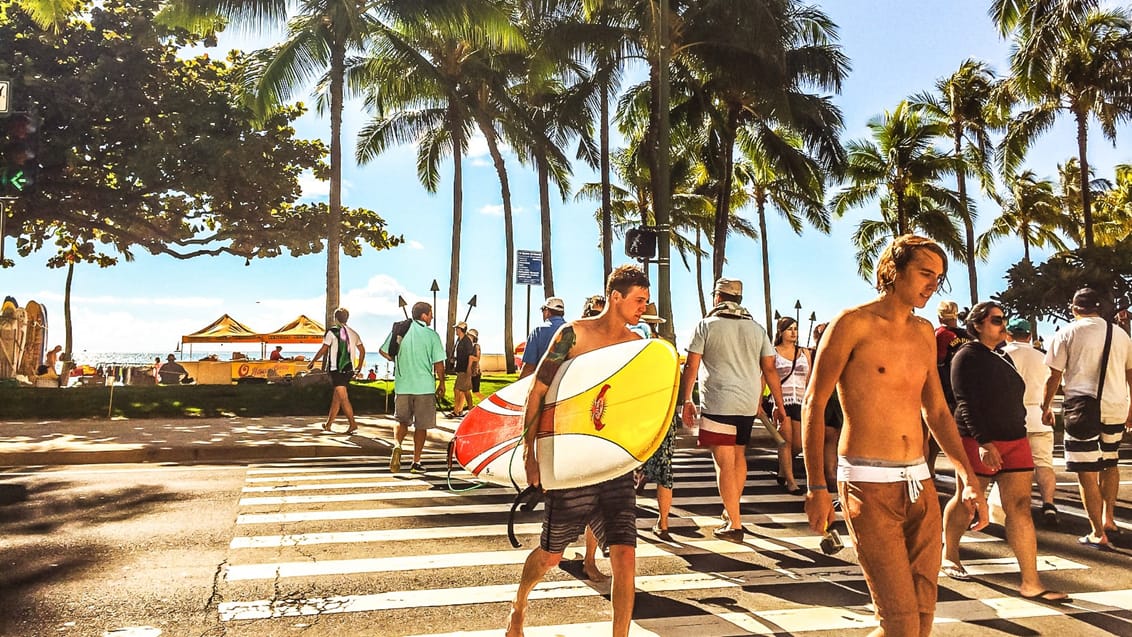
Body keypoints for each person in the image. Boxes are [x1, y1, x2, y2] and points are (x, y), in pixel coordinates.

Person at [802, 234, 988, 637]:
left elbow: (936, 410)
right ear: (893, 271)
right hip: (868, 485)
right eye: (924, 273)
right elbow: (813, 404)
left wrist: (969, 479)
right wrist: (816, 486)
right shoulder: (852, 323)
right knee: (900, 622)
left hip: (919, 485)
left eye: (938, 278)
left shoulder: (924, 333)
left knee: (922, 619)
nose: (931, 285)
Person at [506, 264, 650, 637]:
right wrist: (530, 454)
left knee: (625, 557)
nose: (642, 308)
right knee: (551, 555)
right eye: (638, 300)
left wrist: (638, 454)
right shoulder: (574, 336)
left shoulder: (635, 345)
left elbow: (635, 406)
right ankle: (519, 604)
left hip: (614, 464)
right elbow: (537, 391)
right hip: (572, 461)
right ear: (615, 297)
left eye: (646, 302)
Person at [939, 302, 1068, 603]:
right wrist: (984, 443)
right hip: (978, 440)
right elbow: (965, 402)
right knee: (967, 501)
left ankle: (1031, 582)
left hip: (1015, 439)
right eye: (996, 320)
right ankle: (951, 555)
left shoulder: (1002, 356)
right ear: (978, 325)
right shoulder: (966, 355)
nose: (1003, 324)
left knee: (1021, 506)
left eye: (1003, 319)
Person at [680, 277, 785, 541]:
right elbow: (770, 368)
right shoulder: (757, 329)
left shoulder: (706, 326)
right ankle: (732, 512)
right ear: (739, 300)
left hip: (718, 402)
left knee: (724, 463)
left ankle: (734, 523)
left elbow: (691, 365)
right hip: (747, 403)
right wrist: (778, 404)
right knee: (739, 458)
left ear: (717, 298)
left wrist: (686, 400)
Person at [1042, 287, 1132, 549]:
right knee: (1110, 462)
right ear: (1100, 308)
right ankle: (1109, 519)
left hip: (1082, 410)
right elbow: (1130, 373)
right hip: (1115, 406)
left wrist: (1046, 406)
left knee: (1086, 471)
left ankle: (1096, 532)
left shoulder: (1066, 333)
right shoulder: (1120, 334)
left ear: (1074, 309)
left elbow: (1054, 376)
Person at [1002, 317, 1058, 526]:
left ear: (1008, 335)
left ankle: (1013, 507)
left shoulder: (1002, 355)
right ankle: (1049, 503)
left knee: (1010, 467)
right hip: (1039, 413)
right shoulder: (1042, 358)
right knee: (1043, 463)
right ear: (1029, 335)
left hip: (1010, 416)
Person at [380, 301, 446, 473]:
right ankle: (416, 462)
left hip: (403, 386)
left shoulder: (401, 331)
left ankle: (397, 445)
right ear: (424, 315)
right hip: (424, 387)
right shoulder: (432, 335)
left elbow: (383, 351)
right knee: (421, 426)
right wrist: (442, 383)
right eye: (431, 313)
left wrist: (396, 360)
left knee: (401, 420)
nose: (432, 317)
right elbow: (439, 363)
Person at [635, 303, 679, 541]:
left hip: (640, 412)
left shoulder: (633, 345)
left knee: (628, 464)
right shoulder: (666, 348)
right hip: (664, 413)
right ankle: (663, 522)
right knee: (665, 470)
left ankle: (640, 475)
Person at [308, 307, 365, 435]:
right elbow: (362, 350)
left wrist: (312, 361)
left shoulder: (332, 332)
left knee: (343, 398)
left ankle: (352, 424)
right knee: (337, 397)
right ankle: (328, 424)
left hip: (337, 370)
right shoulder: (353, 333)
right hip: (349, 370)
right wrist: (359, 366)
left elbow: (323, 349)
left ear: (336, 318)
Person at [772, 316, 812, 496]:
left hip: (801, 401)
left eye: (796, 328)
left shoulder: (804, 353)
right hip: (782, 401)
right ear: (781, 331)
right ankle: (791, 481)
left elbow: (810, 378)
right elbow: (766, 376)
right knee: (785, 441)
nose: (794, 332)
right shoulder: (773, 352)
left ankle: (782, 470)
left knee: (798, 444)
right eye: (790, 329)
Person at [931, 300, 968, 473]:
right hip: (966, 389)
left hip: (944, 389)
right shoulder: (968, 335)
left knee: (936, 431)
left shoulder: (940, 335)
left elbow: (936, 362)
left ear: (940, 316)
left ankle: (929, 468)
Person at [812, 322, 844, 510]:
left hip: (835, 400)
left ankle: (832, 474)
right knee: (831, 438)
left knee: (833, 439)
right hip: (829, 400)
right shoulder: (816, 353)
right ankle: (830, 474)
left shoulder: (833, 352)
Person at [518, 297, 567, 379]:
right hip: (566, 384)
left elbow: (529, 366)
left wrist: (518, 386)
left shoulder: (538, 331)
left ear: (547, 312)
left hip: (544, 384)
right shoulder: (572, 329)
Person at [448, 322, 474, 418]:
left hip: (464, 370)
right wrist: (454, 359)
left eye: (457, 328)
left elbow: (470, 356)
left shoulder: (466, 341)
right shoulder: (461, 340)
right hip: (461, 369)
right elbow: (462, 356)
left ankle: (457, 411)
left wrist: (468, 370)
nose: (455, 330)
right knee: (464, 391)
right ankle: (462, 410)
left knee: (458, 389)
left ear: (461, 329)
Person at [468, 328, 483, 401]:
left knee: (475, 391)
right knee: (465, 391)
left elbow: (478, 358)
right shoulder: (467, 346)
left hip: (475, 372)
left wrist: (470, 357)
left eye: (470, 335)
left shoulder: (476, 346)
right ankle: (460, 410)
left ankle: (486, 403)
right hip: (468, 372)